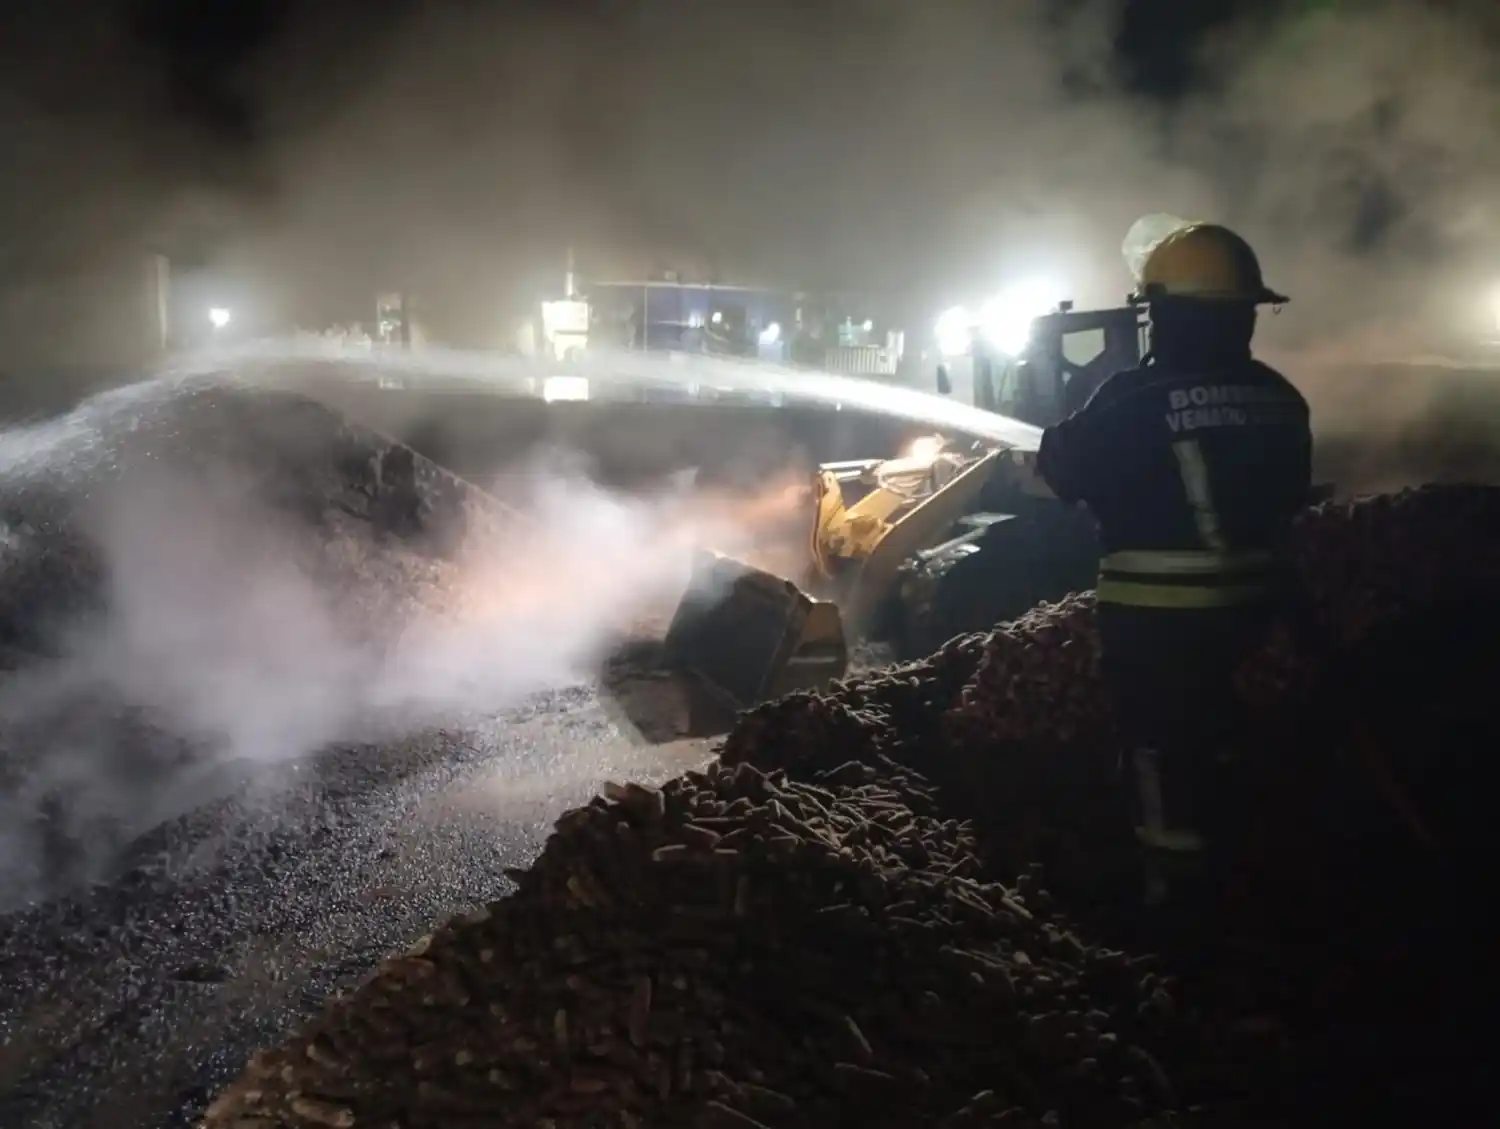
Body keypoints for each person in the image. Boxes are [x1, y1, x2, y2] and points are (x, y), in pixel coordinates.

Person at [1035, 222, 1313, 913]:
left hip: (1158, 615)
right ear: (1245, 311)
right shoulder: (1284, 398)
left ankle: (1174, 891)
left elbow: (1064, 473)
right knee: (1229, 733)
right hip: (1259, 609)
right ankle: (1252, 864)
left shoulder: (1130, 398)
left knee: (1159, 744)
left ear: (1159, 313)